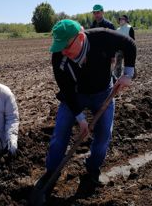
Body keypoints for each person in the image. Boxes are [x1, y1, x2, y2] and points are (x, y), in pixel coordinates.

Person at [39, 19, 136, 194]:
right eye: (60, 47)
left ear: (81, 37)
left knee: (104, 134)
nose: (64, 51)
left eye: (67, 46)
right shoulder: (59, 56)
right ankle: (51, 171)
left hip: (103, 93)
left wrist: (128, 73)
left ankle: (93, 168)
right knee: (60, 133)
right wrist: (80, 118)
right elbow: (66, 89)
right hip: (75, 95)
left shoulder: (102, 37)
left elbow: (129, 44)